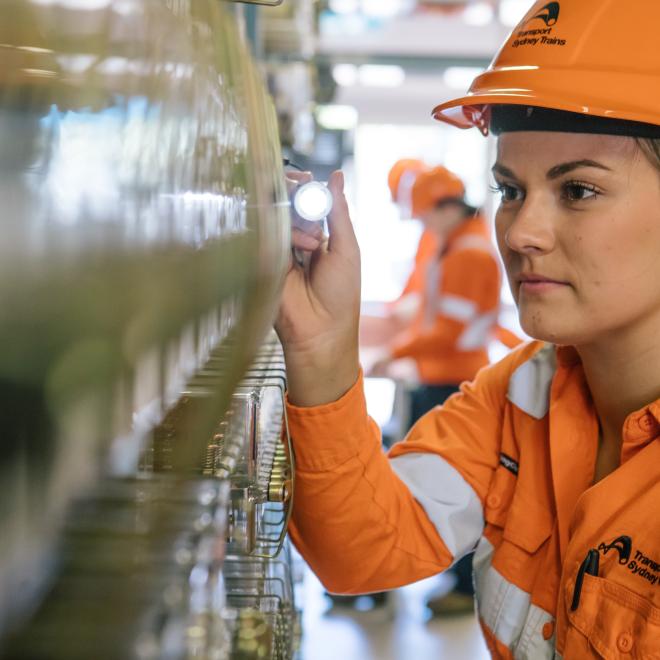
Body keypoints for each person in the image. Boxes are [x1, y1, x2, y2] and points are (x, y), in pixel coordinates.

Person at [276, 0, 660, 656]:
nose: (522, 232)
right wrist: (321, 348)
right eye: (510, 190)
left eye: (579, 191)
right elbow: (361, 551)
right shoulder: (519, 395)